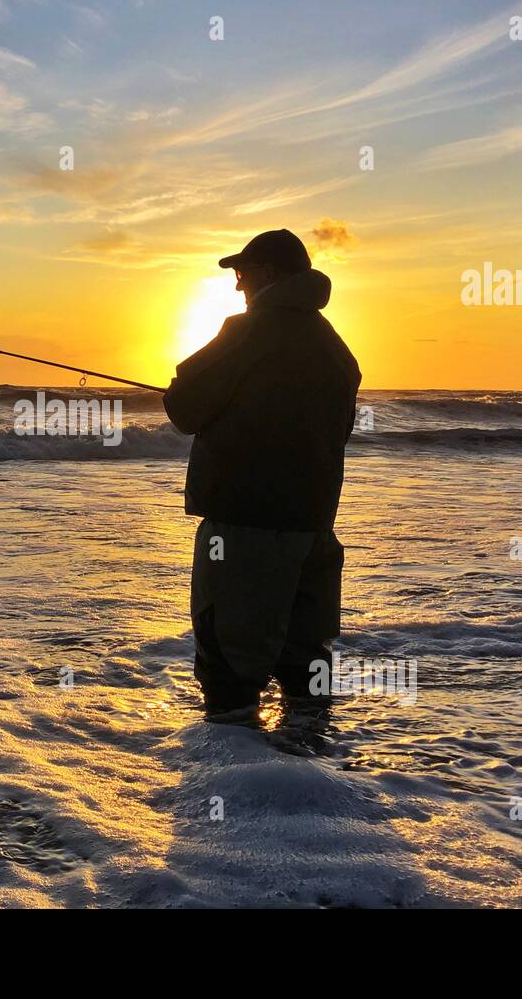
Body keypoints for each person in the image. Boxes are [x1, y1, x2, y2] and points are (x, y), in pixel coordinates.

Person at [163, 229, 361, 722]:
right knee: (307, 669)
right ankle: (315, 776)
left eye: (242, 273)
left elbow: (185, 408)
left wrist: (181, 386)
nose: (237, 286)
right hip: (314, 526)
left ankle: (229, 785)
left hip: (243, 527)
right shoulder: (334, 344)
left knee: (230, 665)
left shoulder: (248, 332)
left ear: (268, 273)